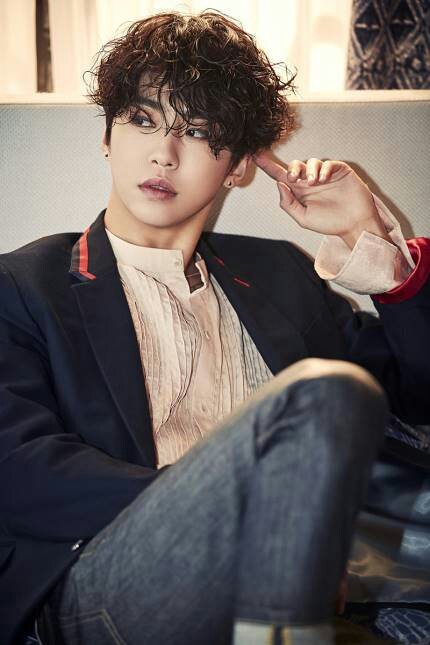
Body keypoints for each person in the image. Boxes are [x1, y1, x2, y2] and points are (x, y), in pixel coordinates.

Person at [0, 9, 429, 645]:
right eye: (142, 119)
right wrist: (245, 514)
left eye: (198, 132)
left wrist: (366, 237)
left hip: (325, 576)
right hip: (108, 579)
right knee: (325, 393)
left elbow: (415, 397)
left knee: (345, 404)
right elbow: (18, 469)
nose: (163, 153)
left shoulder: (281, 275)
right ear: (107, 137)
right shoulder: (23, 285)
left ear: (238, 167)